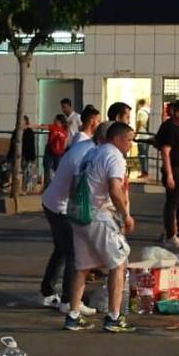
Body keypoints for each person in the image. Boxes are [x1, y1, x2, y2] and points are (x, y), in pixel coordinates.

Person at [63, 122, 137, 333]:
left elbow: (74, 183)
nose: (130, 145)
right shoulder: (114, 157)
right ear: (117, 139)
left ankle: (74, 314)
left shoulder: (91, 153)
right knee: (119, 262)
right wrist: (126, 215)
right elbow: (115, 188)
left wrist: (74, 206)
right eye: (128, 140)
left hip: (79, 213)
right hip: (98, 215)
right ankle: (113, 317)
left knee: (82, 266)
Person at [39, 111, 104, 312]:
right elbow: (78, 186)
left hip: (53, 202)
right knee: (74, 253)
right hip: (61, 206)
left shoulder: (85, 145)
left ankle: (48, 293)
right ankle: (69, 300)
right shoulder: (86, 152)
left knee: (61, 249)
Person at [152, 100, 179, 243]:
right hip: (174, 168)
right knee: (173, 202)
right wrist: (169, 175)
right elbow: (165, 151)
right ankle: (171, 235)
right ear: (177, 113)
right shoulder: (169, 127)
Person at [18, 115, 40, 191]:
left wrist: (31, 157)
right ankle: (25, 187)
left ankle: (27, 188)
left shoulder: (28, 132)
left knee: (28, 171)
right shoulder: (19, 131)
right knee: (25, 171)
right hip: (22, 155)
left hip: (27, 155)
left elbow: (31, 145)